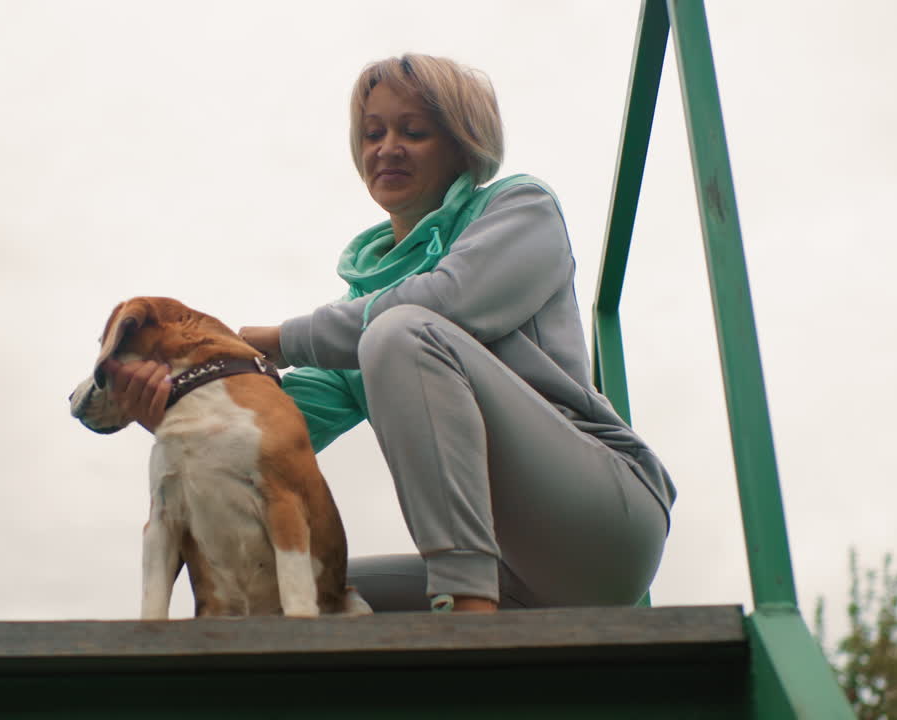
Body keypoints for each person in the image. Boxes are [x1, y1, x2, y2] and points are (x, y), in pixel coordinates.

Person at [103, 54, 676, 614]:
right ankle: (464, 600)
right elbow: (272, 432)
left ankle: (468, 613)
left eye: (414, 131)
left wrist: (283, 338)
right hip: (514, 572)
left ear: (461, 143)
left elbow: (450, 300)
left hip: (603, 522)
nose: (387, 148)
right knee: (304, 591)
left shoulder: (522, 209)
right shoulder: (360, 319)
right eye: (373, 133)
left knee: (399, 333)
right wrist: (184, 408)